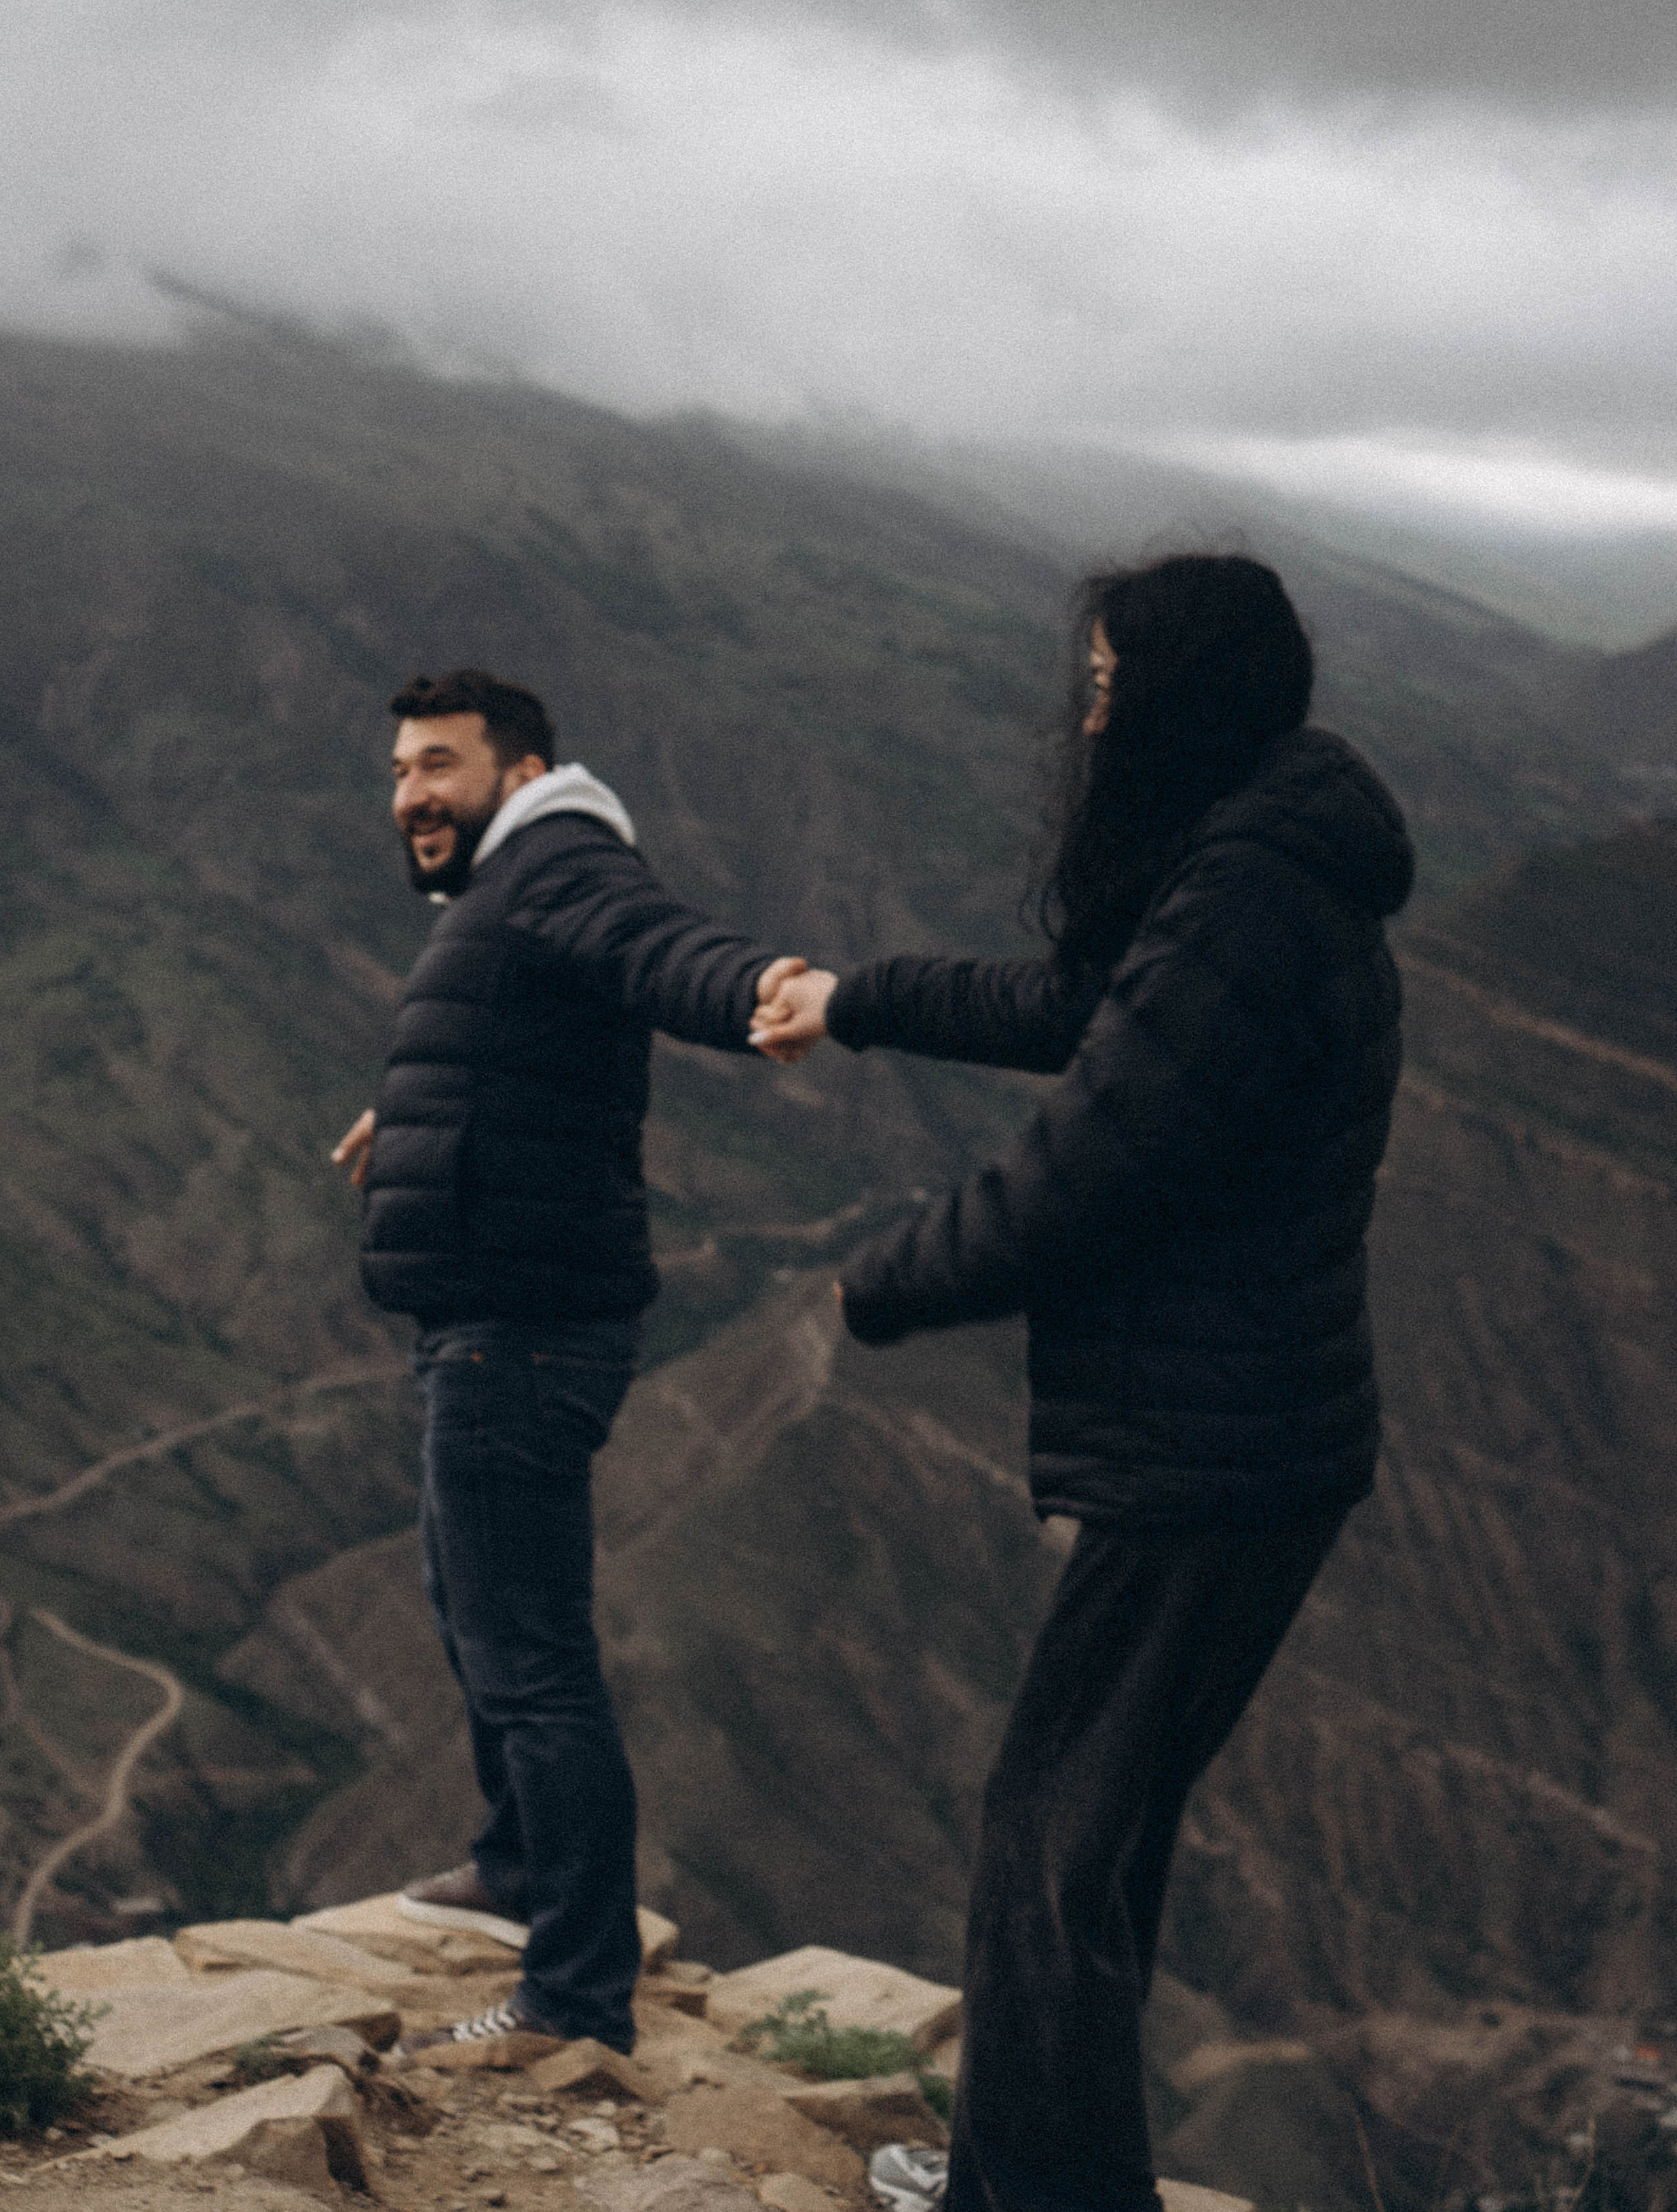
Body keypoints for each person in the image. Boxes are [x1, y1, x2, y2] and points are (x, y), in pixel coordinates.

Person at [750, 555, 1414, 2212]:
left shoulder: (1250, 898)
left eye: (1113, 685)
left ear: (1183, 697)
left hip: (1213, 1453)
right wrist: (858, 1001)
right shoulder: (1250, 864)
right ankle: (1021, 2176)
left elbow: (1082, 1174)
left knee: (1049, 1848)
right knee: (1084, 1846)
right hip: (1251, 1437)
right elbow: (1078, 1011)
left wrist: (879, 1281)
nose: (1092, 713)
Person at [333, 668, 802, 2057]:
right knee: (469, 1605)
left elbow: (657, 951)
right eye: (401, 770)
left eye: (439, 765)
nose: (412, 793)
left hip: (520, 1332)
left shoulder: (558, 860)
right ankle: (518, 1864)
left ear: (521, 771)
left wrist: (760, 988)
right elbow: (522, 1036)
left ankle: (573, 1994)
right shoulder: (502, 889)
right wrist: (410, 1114)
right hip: (490, 1319)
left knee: (531, 1659)